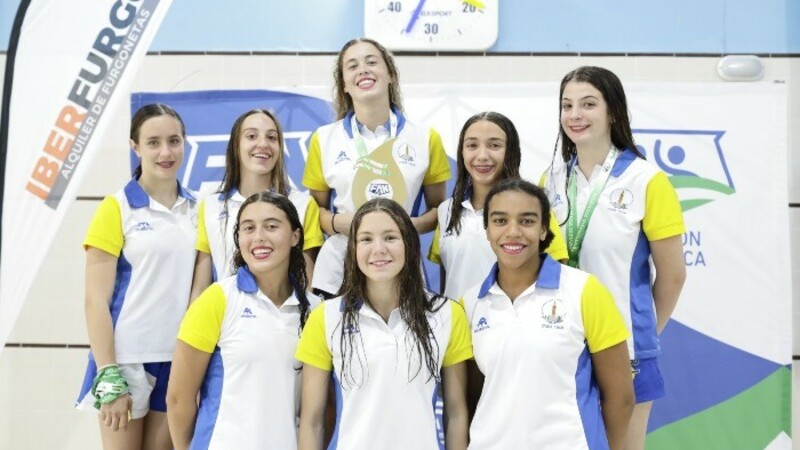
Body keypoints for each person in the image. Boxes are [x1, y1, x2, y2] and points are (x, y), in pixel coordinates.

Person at [541, 66, 687, 450]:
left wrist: (641, 335)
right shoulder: (549, 182)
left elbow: (672, 275)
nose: (575, 114)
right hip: (561, 342)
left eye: (588, 104)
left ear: (613, 112)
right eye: (567, 105)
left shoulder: (646, 181)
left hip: (626, 349)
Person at [463, 178, 634, 449]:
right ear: (487, 230)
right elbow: (473, 397)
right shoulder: (471, 302)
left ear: (544, 229)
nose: (513, 231)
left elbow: (621, 398)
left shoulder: (584, 291)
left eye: (527, 221)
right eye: (500, 221)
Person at [296, 198, 471, 450]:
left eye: (390, 237)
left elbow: (455, 415)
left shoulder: (447, 314)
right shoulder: (326, 317)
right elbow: (312, 422)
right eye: (366, 239)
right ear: (353, 249)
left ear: (409, 244)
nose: (378, 249)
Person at [75, 104, 197, 450]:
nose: (166, 152)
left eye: (174, 141)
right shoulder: (116, 208)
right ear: (135, 147)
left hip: (178, 359)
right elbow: (95, 301)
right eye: (153, 142)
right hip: (126, 360)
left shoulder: (199, 209)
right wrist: (108, 372)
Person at [167, 191, 318, 450]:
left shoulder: (316, 311)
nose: (259, 237)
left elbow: (318, 411)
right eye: (248, 228)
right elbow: (178, 399)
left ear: (295, 236)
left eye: (271, 226)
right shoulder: (217, 299)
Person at [302, 37, 450, 298]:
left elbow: (439, 210)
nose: (363, 70)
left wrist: (406, 226)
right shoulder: (324, 139)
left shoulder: (425, 138)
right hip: (340, 268)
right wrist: (338, 222)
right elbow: (316, 211)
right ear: (344, 84)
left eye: (371, 62)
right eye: (352, 66)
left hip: (399, 264)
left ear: (391, 74)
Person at [428, 111, 568, 299]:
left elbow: (558, 279)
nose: (482, 156)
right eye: (472, 145)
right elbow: (448, 279)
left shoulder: (534, 208)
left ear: (511, 151)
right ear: (462, 152)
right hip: (457, 317)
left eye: (494, 145)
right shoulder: (447, 210)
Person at [190, 109, 323, 300]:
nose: (263, 144)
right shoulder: (211, 206)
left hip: (285, 316)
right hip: (229, 316)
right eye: (251, 136)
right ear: (236, 146)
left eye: (271, 137)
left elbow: (306, 285)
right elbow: (201, 287)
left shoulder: (302, 205)